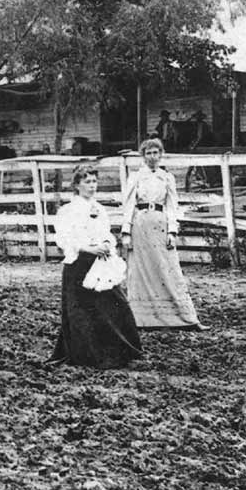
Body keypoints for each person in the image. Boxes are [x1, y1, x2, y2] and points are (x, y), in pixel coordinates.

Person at [47, 165, 143, 369]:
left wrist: (108, 244)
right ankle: (88, 356)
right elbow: (64, 238)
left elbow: (106, 232)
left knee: (117, 305)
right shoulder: (68, 210)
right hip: (79, 265)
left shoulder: (99, 208)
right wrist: (88, 249)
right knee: (83, 312)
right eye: (87, 182)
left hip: (101, 265)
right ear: (76, 185)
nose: (92, 186)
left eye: (94, 182)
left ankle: (122, 350)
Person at [119, 139, 201, 330]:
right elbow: (129, 204)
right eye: (148, 153)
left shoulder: (167, 177)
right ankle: (141, 319)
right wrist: (126, 231)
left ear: (161, 154)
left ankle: (179, 316)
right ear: (143, 156)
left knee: (167, 267)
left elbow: (172, 206)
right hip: (140, 224)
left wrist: (172, 231)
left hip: (160, 224)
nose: (153, 157)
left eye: (156, 153)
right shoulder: (136, 177)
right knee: (140, 269)